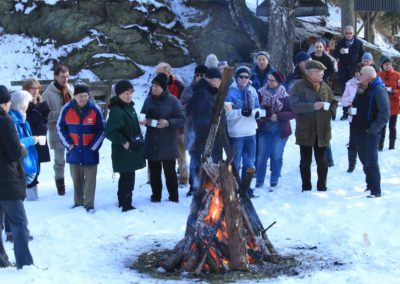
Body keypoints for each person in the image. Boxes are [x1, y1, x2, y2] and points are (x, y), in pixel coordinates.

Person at [289, 60, 337, 192]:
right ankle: (306, 187)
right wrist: (312, 106)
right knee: (305, 161)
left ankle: (322, 187)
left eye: (322, 73)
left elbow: (333, 101)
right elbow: (294, 106)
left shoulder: (324, 86)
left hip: (322, 130)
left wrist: (331, 111)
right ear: (311, 73)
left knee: (322, 161)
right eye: (320, 73)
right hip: (306, 129)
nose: (322, 75)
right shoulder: (298, 86)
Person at [0, 85, 34, 269]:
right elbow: (14, 152)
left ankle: (2, 262)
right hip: (7, 181)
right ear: (6, 103)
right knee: (20, 224)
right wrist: (22, 148)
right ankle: (25, 264)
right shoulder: (5, 122)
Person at [57, 85, 105, 212]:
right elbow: (60, 127)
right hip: (74, 152)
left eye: (85, 96)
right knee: (76, 179)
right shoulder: (66, 109)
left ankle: (89, 204)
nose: (83, 98)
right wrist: (68, 144)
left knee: (90, 181)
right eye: (80, 96)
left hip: (90, 152)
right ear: (75, 96)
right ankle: (78, 202)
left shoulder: (95, 109)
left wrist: (93, 147)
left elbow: (102, 130)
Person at [141, 73, 184, 203]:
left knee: (170, 172)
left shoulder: (173, 101)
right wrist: (144, 121)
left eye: (157, 86)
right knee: (154, 172)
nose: (154, 88)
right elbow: (142, 115)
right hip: (152, 141)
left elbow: (181, 119)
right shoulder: (148, 100)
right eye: (153, 85)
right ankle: (156, 196)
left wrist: (169, 123)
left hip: (168, 142)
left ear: (164, 88)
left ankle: (173, 197)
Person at [105, 80, 146, 211]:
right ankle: (126, 204)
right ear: (118, 95)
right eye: (125, 93)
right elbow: (110, 131)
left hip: (132, 149)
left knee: (127, 176)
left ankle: (123, 201)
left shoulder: (130, 107)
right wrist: (124, 142)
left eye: (130, 93)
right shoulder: (117, 110)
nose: (129, 96)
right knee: (127, 177)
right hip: (123, 150)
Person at [351, 66, 389, 198]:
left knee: (371, 161)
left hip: (371, 132)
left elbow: (385, 114)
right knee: (363, 159)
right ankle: (369, 184)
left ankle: (376, 190)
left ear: (368, 76)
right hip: (359, 129)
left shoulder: (378, 90)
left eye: (361, 74)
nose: (358, 75)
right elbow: (358, 104)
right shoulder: (363, 87)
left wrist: (373, 129)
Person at [256, 70, 294, 191]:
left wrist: (279, 116)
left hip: (280, 130)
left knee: (277, 156)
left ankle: (274, 180)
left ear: (278, 82)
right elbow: (256, 109)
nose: (269, 82)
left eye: (272, 80)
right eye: (268, 79)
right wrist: (264, 115)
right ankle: (259, 181)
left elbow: (293, 113)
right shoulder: (260, 93)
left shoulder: (285, 95)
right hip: (264, 129)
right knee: (262, 156)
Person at [225, 66, 260, 198]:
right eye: (241, 77)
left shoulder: (252, 90)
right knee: (236, 164)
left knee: (249, 163)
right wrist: (241, 112)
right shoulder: (230, 92)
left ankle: (246, 188)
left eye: (247, 77)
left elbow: (258, 108)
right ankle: (234, 187)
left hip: (251, 131)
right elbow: (227, 114)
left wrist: (258, 114)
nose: (244, 79)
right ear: (236, 77)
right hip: (236, 132)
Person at [42, 64, 74, 195]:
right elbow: (44, 115)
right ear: (55, 76)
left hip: (73, 129)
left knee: (75, 157)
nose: (65, 79)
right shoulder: (47, 94)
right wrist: (61, 113)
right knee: (59, 161)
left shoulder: (71, 88)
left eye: (67, 76)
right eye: (62, 77)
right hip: (57, 131)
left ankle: (78, 184)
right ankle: (60, 187)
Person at [191, 67, 223, 194]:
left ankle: (204, 187)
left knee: (206, 160)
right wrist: (217, 109)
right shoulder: (203, 91)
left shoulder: (208, 90)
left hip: (205, 132)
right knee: (204, 160)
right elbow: (202, 113)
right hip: (203, 133)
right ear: (213, 80)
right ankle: (200, 188)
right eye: (218, 80)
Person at [155, 62, 188, 186]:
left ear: (168, 73)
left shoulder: (178, 85)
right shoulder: (155, 85)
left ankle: (184, 178)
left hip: (177, 125)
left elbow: (184, 105)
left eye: (159, 73)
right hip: (161, 125)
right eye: (156, 73)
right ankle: (156, 178)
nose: (157, 75)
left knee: (180, 152)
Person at [181, 64, 208, 196]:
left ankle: (206, 185)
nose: (199, 78)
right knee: (195, 159)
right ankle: (193, 186)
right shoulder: (188, 89)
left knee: (208, 160)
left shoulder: (211, 90)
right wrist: (191, 104)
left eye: (202, 75)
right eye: (197, 75)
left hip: (207, 130)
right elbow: (182, 107)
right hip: (192, 130)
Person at [9, 90, 39, 201]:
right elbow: (14, 142)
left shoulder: (22, 119)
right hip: (19, 164)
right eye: (27, 103)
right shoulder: (12, 120)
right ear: (21, 104)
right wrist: (30, 140)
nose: (28, 105)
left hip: (26, 162)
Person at [24, 79, 51, 195]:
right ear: (26, 89)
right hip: (28, 139)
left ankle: (33, 192)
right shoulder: (23, 104)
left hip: (40, 137)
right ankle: (29, 193)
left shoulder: (42, 104)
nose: (35, 91)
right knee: (29, 166)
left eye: (37, 88)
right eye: (32, 88)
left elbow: (46, 119)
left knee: (38, 165)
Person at [333, 25, 364, 120]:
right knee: (344, 92)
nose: (348, 35)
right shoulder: (340, 42)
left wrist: (359, 70)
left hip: (354, 70)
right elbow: (334, 54)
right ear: (344, 33)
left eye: (350, 33)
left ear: (353, 33)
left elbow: (361, 56)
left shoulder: (358, 43)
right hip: (343, 69)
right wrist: (339, 52)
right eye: (346, 33)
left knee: (355, 91)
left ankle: (355, 111)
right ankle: (345, 112)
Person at [341, 64, 363, 173]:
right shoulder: (349, 84)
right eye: (359, 72)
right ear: (355, 73)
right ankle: (351, 165)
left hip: (365, 117)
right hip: (353, 117)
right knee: (352, 141)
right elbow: (343, 101)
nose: (361, 74)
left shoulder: (368, 83)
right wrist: (350, 99)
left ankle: (366, 163)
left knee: (364, 141)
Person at [377, 55, 400, 150]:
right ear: (382, 65)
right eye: (386, 64)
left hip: (394, 104)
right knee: (382, 126)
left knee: (392, 126)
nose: (387, 65)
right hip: (382, 105)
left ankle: (391, 145)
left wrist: (393, 92)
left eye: (389, 64)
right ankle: (380, 145)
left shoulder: (397, 75)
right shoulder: (378, 75)